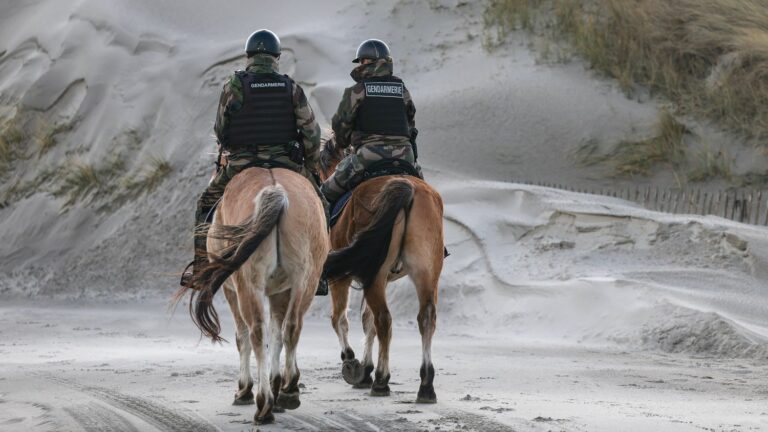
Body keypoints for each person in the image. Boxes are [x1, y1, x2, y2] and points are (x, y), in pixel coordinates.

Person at [181, 29, 327, 290]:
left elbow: (221, 129)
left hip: (241, 164)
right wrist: (310, 163)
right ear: (276, 57)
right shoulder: (290, 87)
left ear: (249, 56)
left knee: (205, 203)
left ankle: (201, 267)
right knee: (321, 204)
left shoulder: (234, 86)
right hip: (286, 163)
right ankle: (321, 271)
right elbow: (311, 133)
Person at [321, 39, 421, 205]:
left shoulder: (357, 90)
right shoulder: (402, 89)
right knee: (425, 192)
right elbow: (411, 125)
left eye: (361, 60)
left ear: (367, 61)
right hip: (406, 157)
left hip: (367, 158)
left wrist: (345, 141)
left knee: (323, 196)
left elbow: (341, 131)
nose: (360, 64)